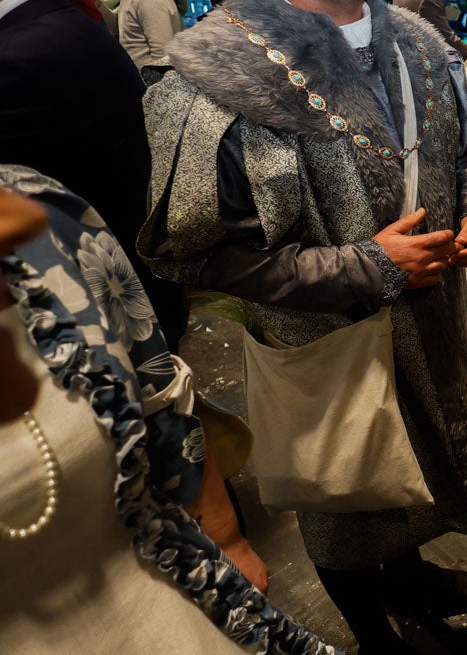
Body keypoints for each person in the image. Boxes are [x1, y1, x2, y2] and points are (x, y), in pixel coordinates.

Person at [136, 0, 467, 649]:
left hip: (435, 327)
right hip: (325, 350)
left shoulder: (421, 40)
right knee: (345, 490)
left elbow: (466, 154)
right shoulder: (210, 82)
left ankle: (411, 580)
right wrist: (370, 265)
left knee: (415, 468)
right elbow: (192, 255)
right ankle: (371, 630)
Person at [0, 166, 331, 654]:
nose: (22, 220)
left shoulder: (47, 216)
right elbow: (197, 249)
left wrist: (228, 538)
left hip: (175, 618)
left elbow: (158, 392)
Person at [0, 0, 186, 346]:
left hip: (108, 294)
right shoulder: (63, 24)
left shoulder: (17, 54)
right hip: (135, 265)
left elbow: (163, 58)